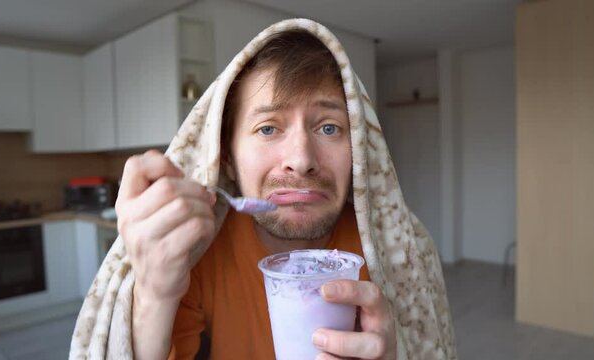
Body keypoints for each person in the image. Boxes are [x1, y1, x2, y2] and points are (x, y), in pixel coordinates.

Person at [69, 19, 456, 360]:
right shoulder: (197, 253)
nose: (301, 159)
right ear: (226, 159)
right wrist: (154, 292)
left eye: (329, 127)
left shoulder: (401, 252)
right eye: (268, 128)